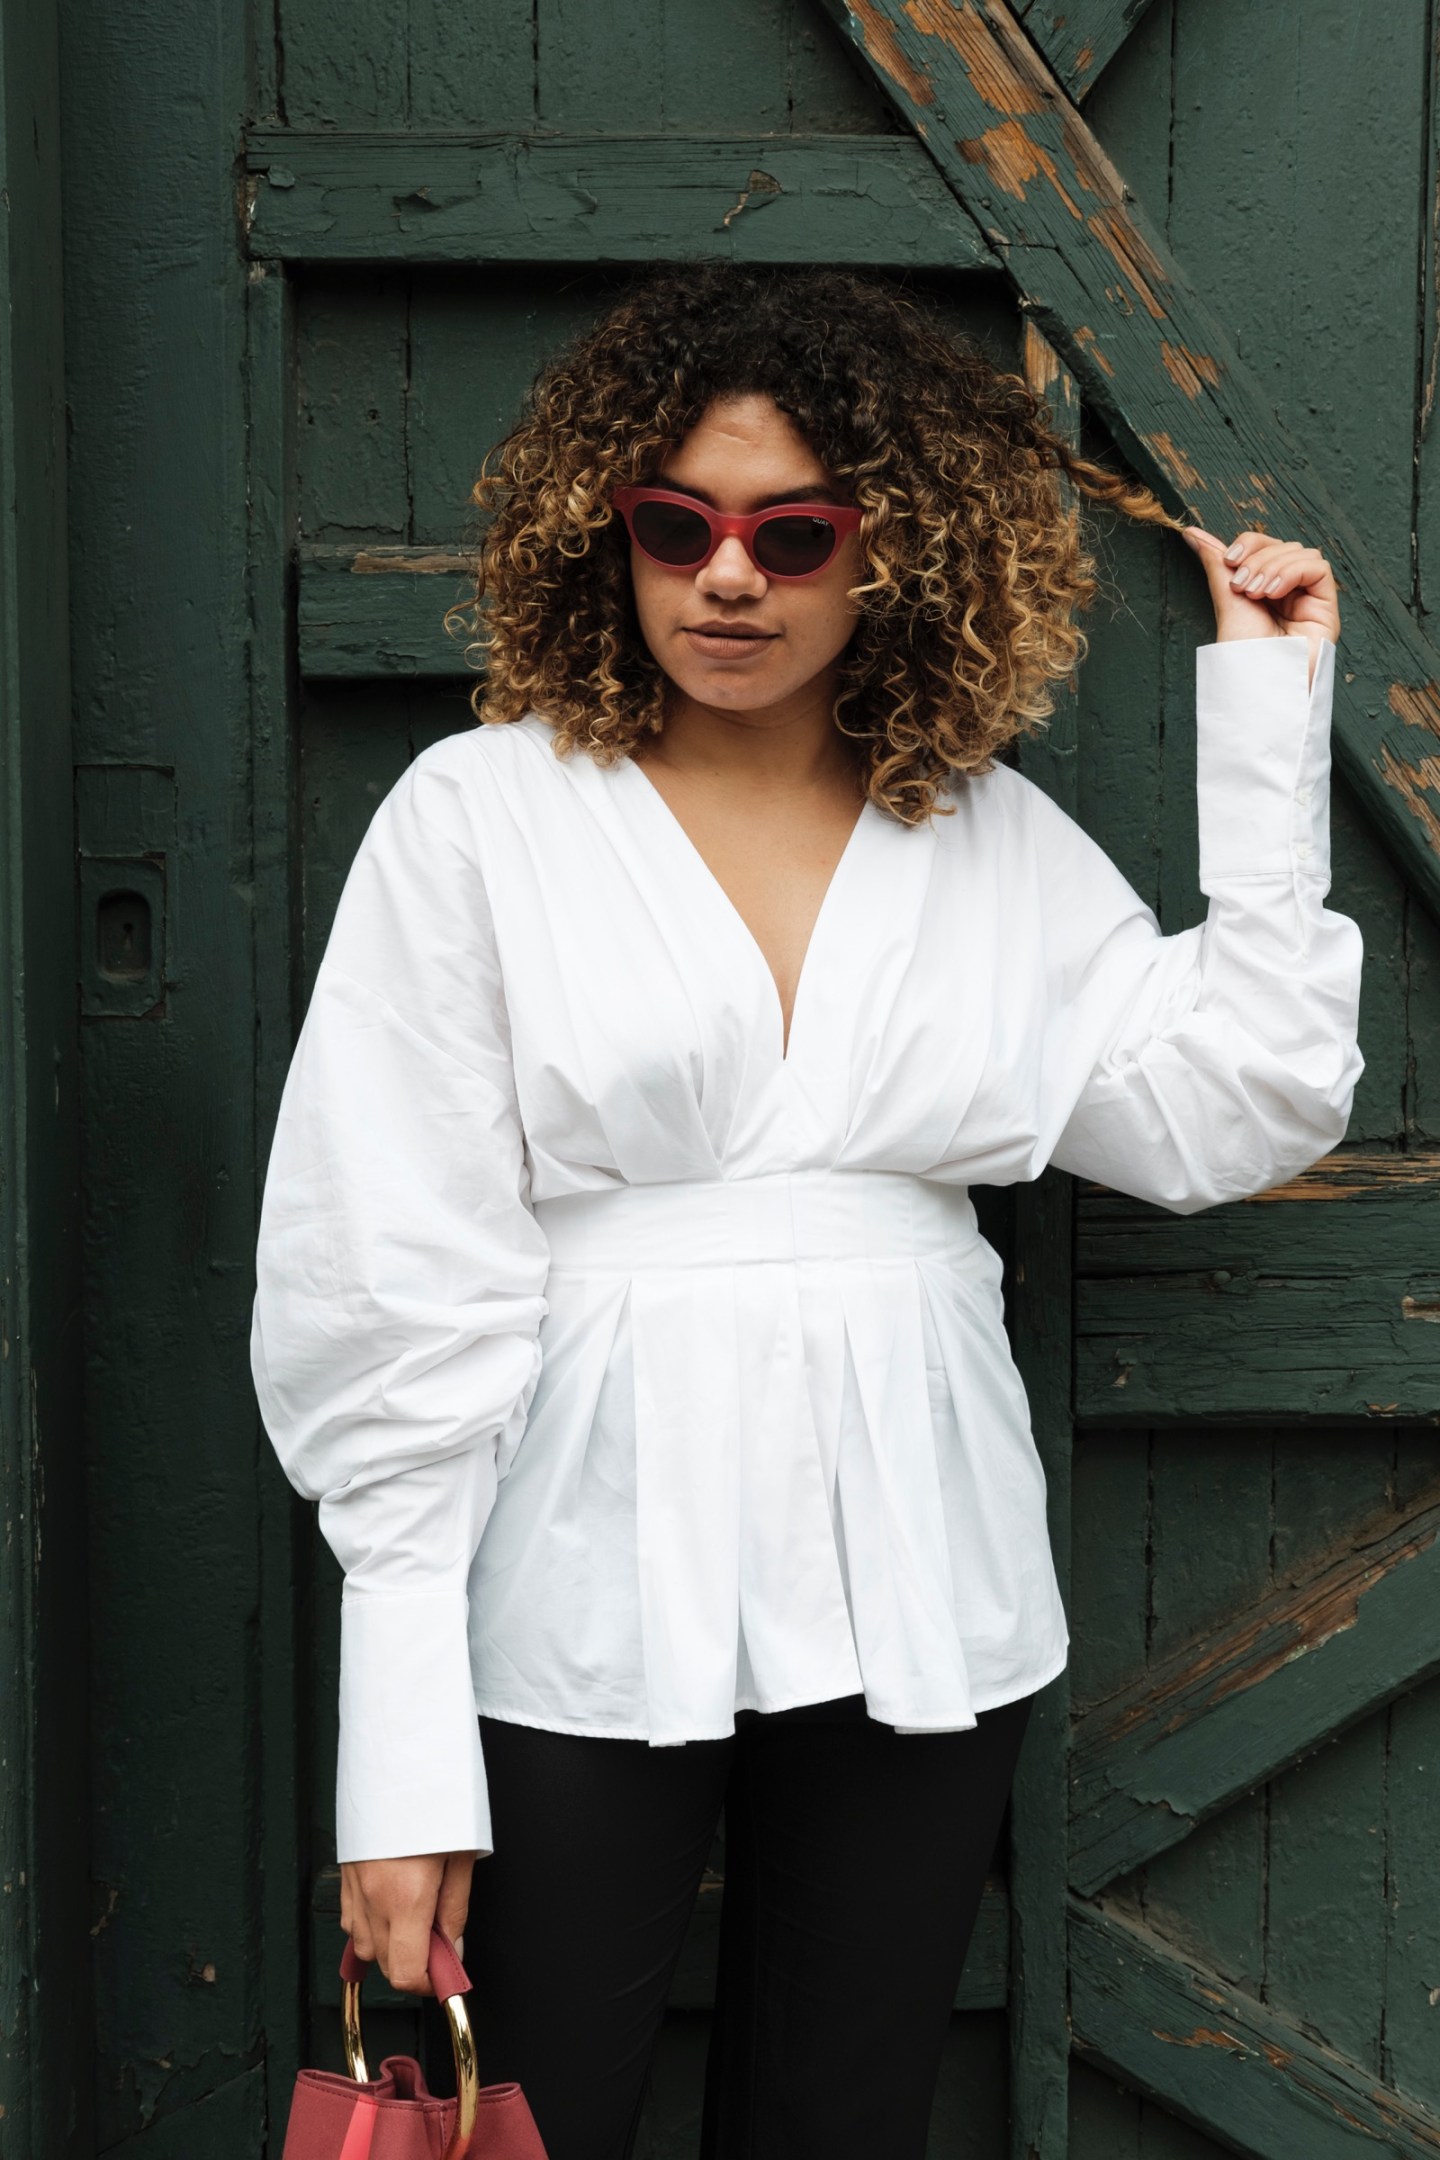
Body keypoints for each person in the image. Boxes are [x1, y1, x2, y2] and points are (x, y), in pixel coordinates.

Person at [249, 263, 1363, 2159]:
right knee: (531, 2113)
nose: (727, 577)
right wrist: (403, 1765)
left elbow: (1236, 1103)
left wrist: (1269, 711)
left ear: (888, 550)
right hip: (580, 1572)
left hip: (920, 1571)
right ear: (608, 537)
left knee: (844, 2120)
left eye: (792, 533)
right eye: (673, 526)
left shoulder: (986, 837)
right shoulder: (484, 816)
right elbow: (384, 1272)